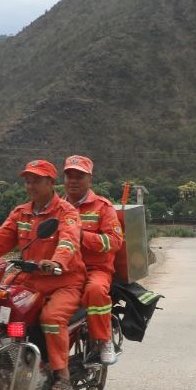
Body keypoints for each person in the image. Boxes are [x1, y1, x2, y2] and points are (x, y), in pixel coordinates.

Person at [0, 159, 86, 390]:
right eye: (27, 181)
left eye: (36, 180)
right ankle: (6, 358)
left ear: (51, 182)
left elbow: (69, 240)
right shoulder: (21, 213)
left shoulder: (67, 212)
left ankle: (62, 377)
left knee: (51, 318)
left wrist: (57, 262)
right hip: (29, 279)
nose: (30, 186)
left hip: (63, 281)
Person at [61, 155, 125, 365]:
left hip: (95, 269)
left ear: (89, 179)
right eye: (69, 175)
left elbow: (115, 241)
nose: (73, 180)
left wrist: (83, 237)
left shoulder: (102, 207)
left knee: (95, 291)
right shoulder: (56, 207)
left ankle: (103, 340)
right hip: (64, 270)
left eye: (79, 176)